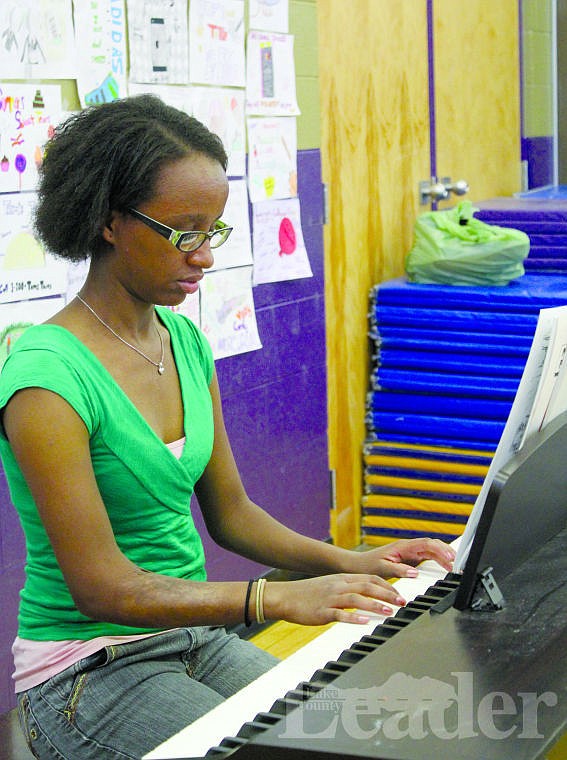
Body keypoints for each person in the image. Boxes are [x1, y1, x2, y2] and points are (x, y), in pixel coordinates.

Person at [0, 95, 455, 759]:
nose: (203, 257)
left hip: (196, 638)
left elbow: (232, 514)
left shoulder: (181, 339)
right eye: (184, 232)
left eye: (212, 232)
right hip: (86, 669)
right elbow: (102, 587)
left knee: (346, 741)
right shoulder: (45, 378)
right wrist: (271, 599)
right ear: (108, 222)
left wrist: (355, 560)